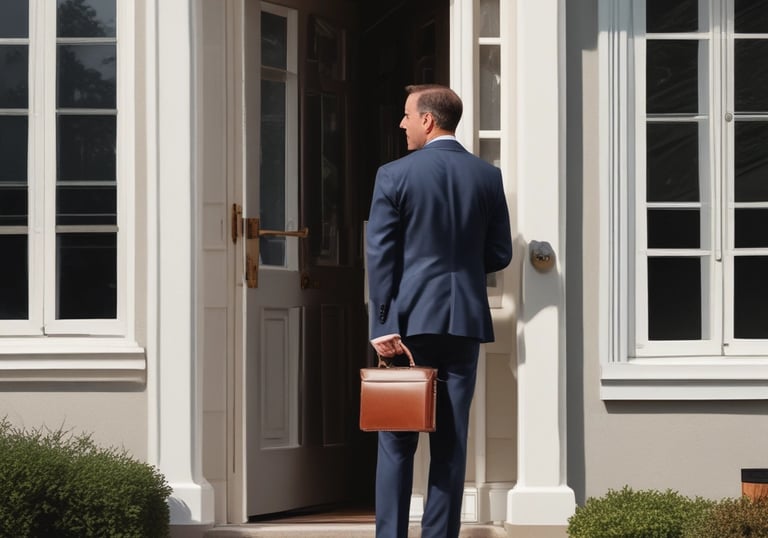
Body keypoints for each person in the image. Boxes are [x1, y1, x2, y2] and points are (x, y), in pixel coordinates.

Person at [365, 84, 513, 538]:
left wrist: (382, 325)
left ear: (428, 120)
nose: (402, 124)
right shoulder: (487, 176)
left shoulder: (393, 175)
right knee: (450, 444)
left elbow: (381, 257)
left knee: (395, 442)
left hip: (407, 327)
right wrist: (462, 267)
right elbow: (501, 253)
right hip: (463, 322)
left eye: (407, 115)